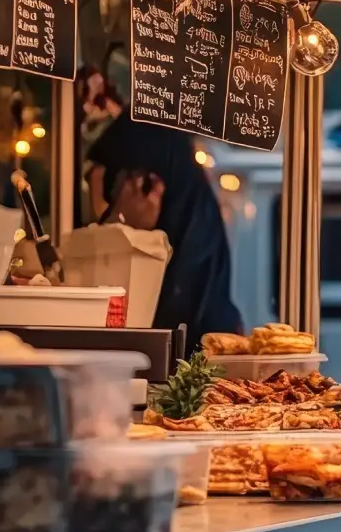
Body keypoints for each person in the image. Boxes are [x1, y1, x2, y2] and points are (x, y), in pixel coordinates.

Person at [84, 105, 243, 349]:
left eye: (111, 193)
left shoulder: (176, 289)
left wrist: (121, 230)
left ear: (147, 186)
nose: (103, 216)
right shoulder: (198, 244)